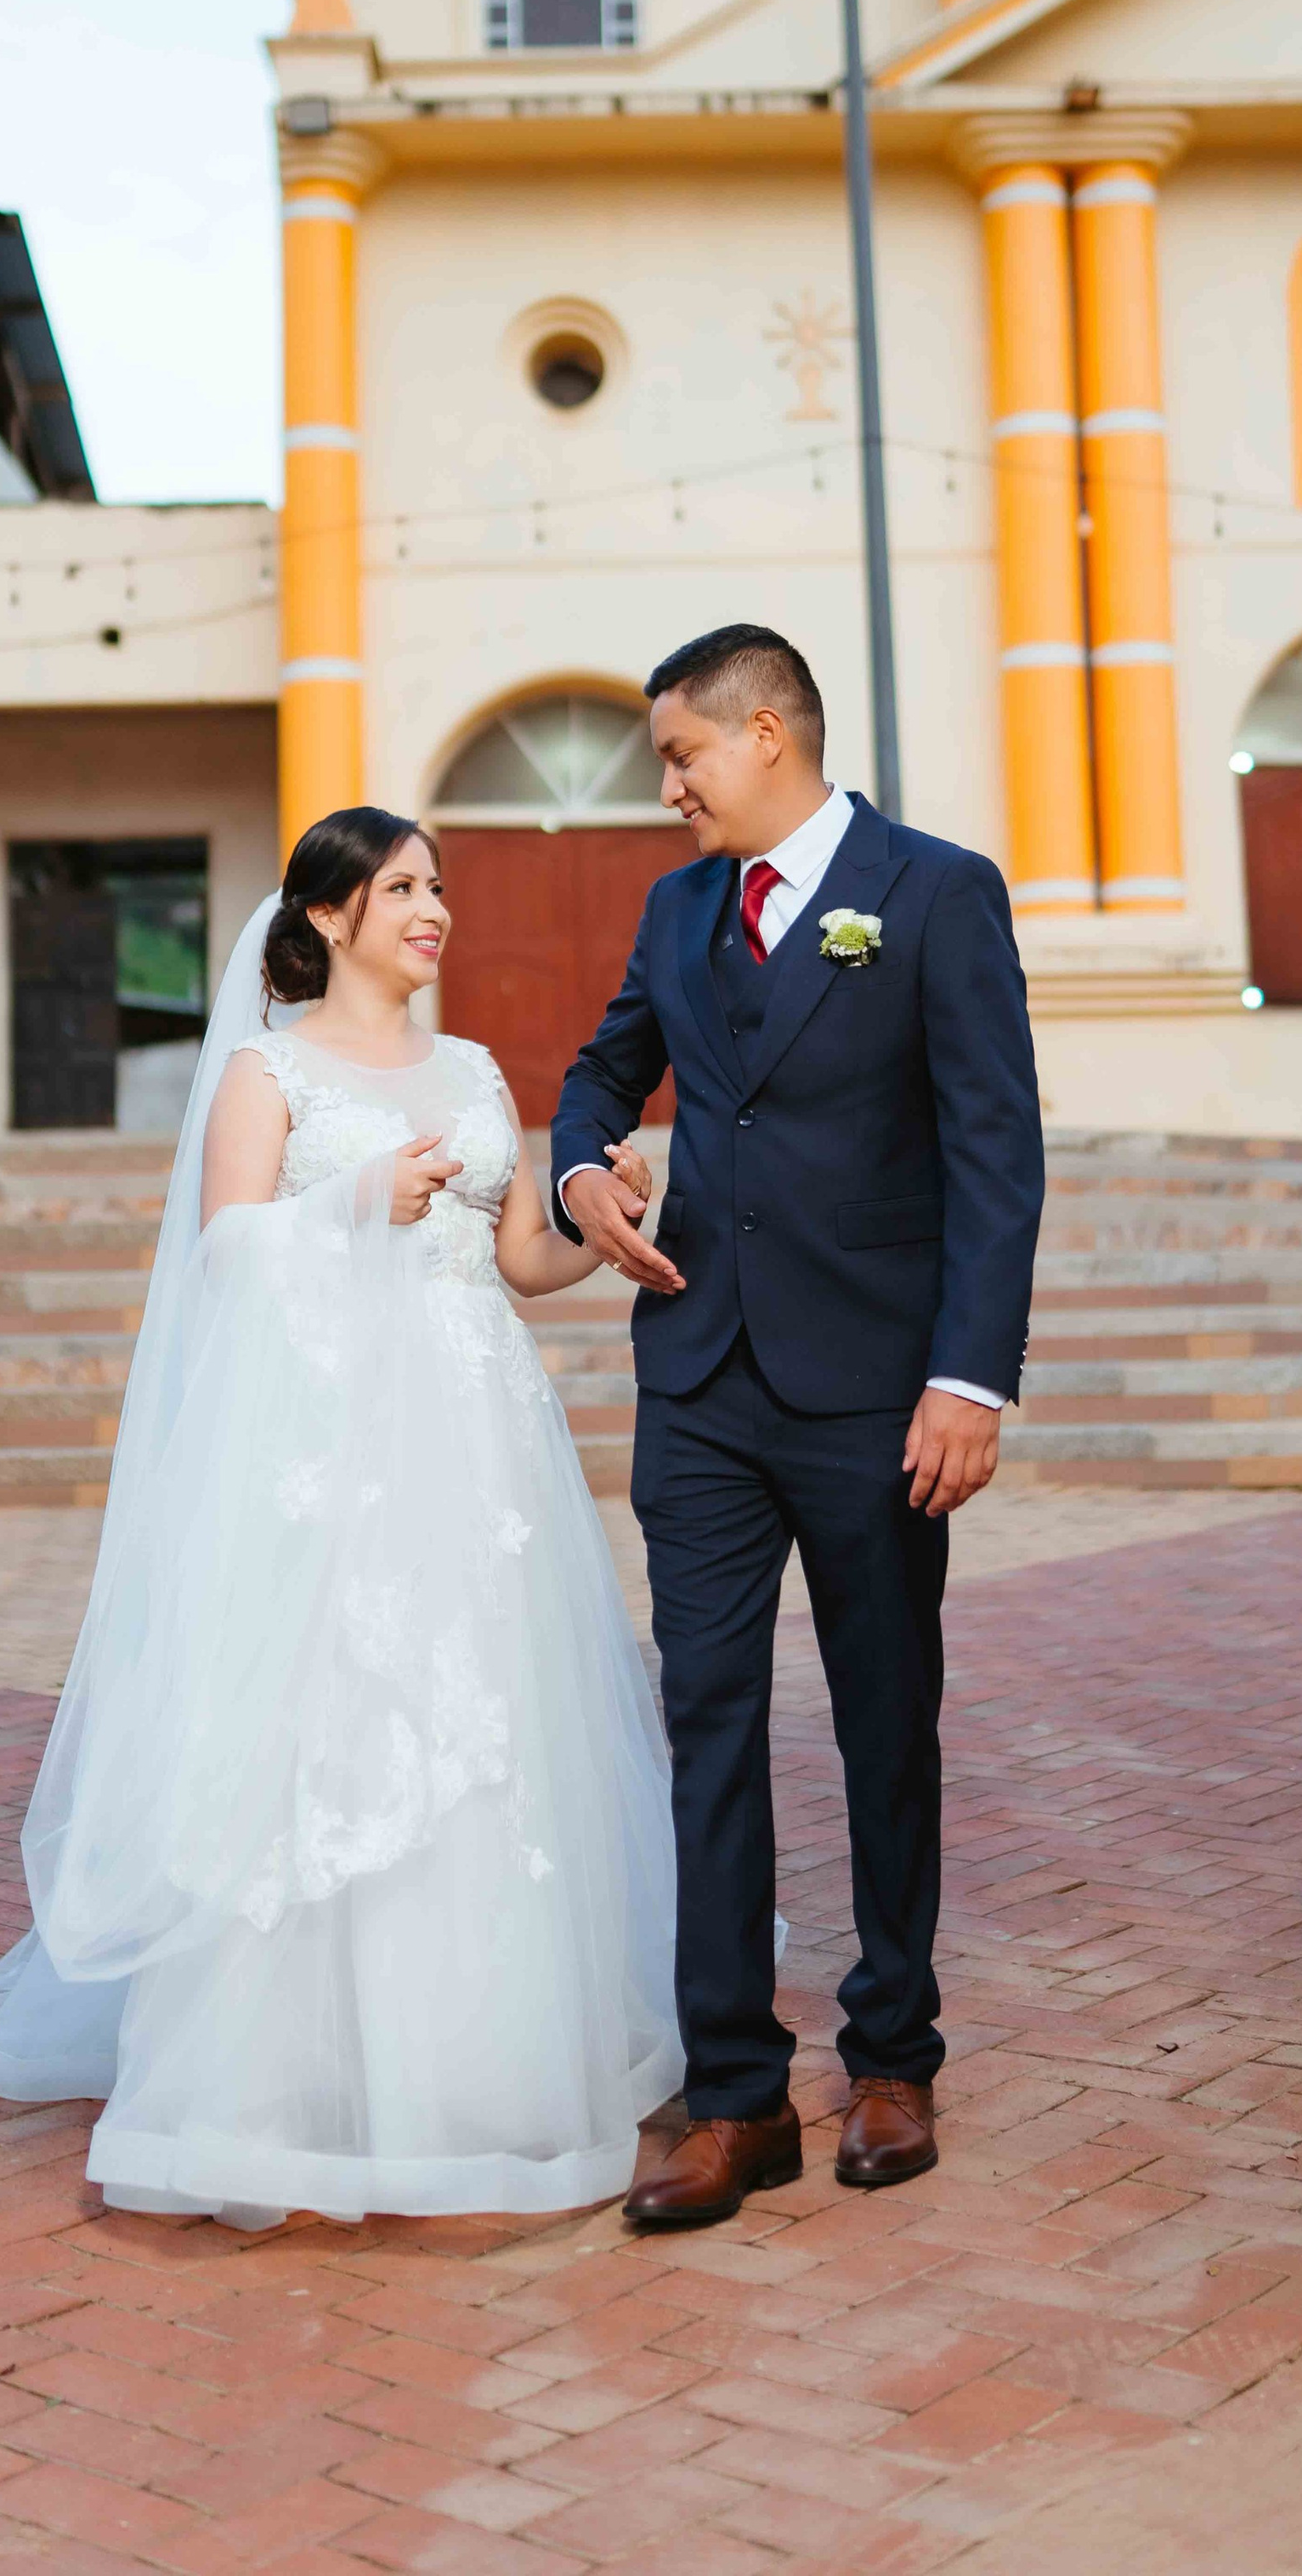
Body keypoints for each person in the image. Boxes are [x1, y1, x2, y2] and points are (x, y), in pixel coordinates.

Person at [0, 807, 680, 2225]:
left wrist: (601, 1221)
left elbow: (515, 1257)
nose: (436, 911)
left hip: (483, 1450)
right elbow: (226, 1249)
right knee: (337, 1727)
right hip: (336, 1446)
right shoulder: (267, 1070)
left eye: (440, 887)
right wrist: (356, 1195)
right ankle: (290, 2081)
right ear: (335, 914)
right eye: (406, 887)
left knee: (486, 1727)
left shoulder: (474, 1069)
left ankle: (476, 2064)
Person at [552, 626, 1044, 2228]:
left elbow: (995, 1153)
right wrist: (580, 1169)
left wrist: (969, 1379)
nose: (669, 790)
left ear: (767, 735)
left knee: (886, 1721)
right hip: (700, 1383)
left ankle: (893, 2053)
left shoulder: (934, 890)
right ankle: (735, 2098)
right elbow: (601, 1070)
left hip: (876, 1392)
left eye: (681, 758)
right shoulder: (677, 907)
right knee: (708, 1723)